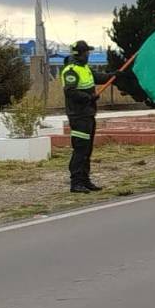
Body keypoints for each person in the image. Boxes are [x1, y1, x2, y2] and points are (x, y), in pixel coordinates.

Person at [60, 40, 115, 193]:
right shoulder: (71, 70)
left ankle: (85, 180)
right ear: (80, 54)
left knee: (88, 149)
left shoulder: (85, 68)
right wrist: (88, 97)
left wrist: (114, 76)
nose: (88, 55)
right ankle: (75, 182)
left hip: (89, 114)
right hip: (78, 116)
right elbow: (70, 91)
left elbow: (98, 77)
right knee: (80, 149)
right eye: (87, 52)